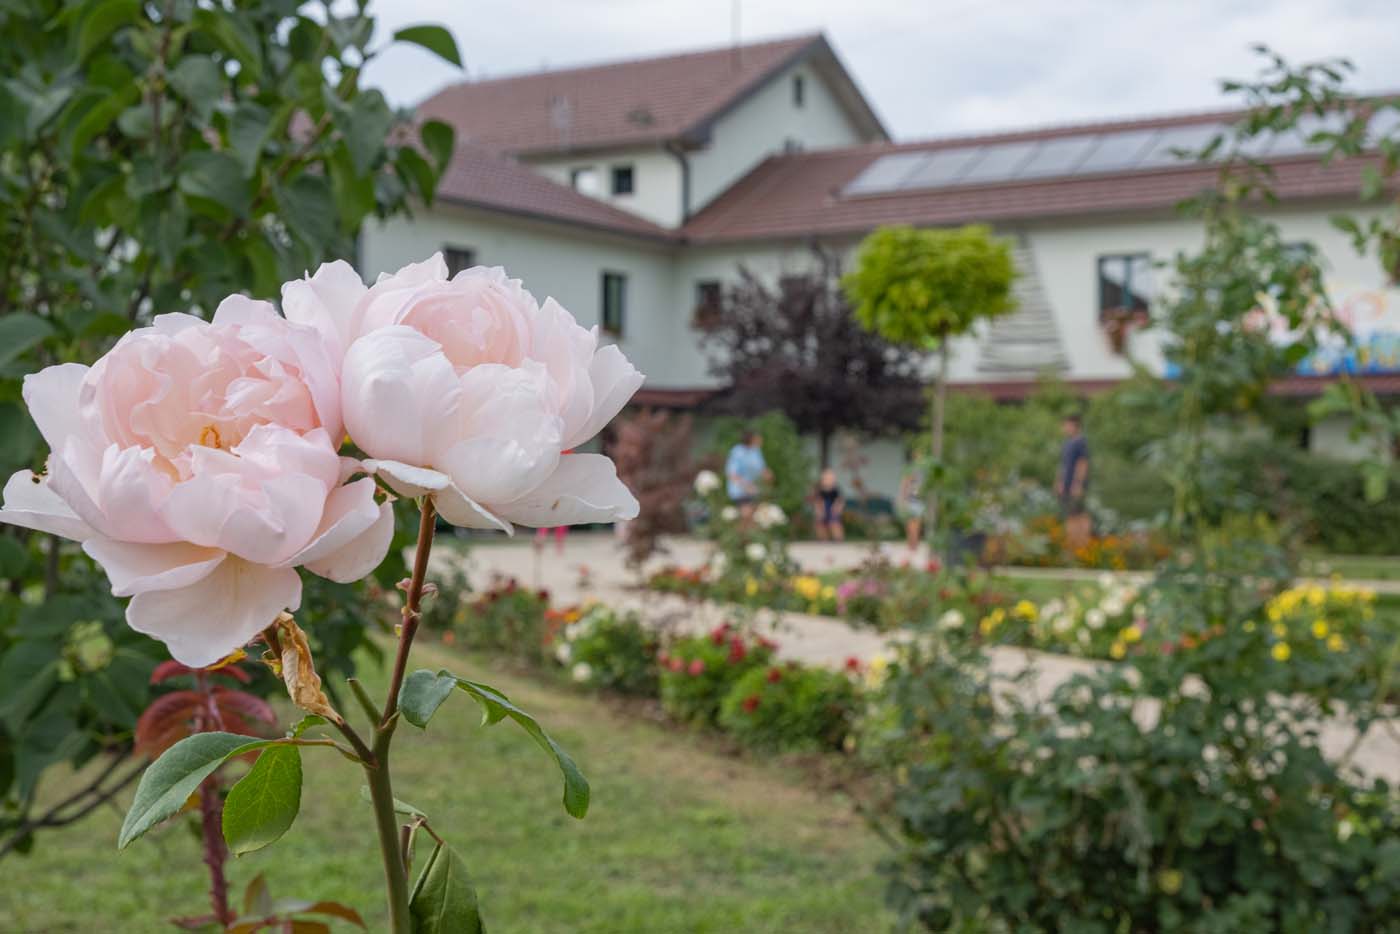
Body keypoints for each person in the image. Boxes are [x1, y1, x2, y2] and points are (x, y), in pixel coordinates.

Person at [1055, 413, 1091, 550]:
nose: (1064, 428)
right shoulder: (1067, 443)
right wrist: (1059, 481)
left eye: (1066, 425)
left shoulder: (1080, 442)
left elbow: (1082, 463)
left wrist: (1078, 484)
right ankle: (1072, 545)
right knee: (1070, 514)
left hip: (1074, 486)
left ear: (1075, 425)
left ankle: (1080, 546)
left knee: (1077, 515)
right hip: (1066, 485)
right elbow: (1063, 465)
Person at [725, 430, 769, 525]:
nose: (760, 440)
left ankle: (746, 537)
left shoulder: (756, 451)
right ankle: (741, 537)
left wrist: (767, 474)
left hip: (755, 489)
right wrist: (746, 486)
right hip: (740, 490)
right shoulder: (737, 452)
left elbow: (762, 468)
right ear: (751, 439)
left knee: (754, 516)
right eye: (758, 438)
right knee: (746, 514)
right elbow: (732, 474)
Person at [897, 452, 926, 553]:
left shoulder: (924, 471)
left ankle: (914, 546)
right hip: (911, 501)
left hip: (920, 501)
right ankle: (911, 545)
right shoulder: (911, 470)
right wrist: (902, 500)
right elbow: (904, 485)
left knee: (917, 525)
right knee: (910, 525)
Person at [812, 467, 845, 541]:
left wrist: (838, 508)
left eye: (830, 478)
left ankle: (838, 539)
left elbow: (840, 500)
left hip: (833, 509)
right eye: (826, 478)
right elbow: (817, 501)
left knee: (835, 524)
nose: (828, 480)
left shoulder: (836, 490)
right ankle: (823, 539)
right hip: (822, 508)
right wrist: (818, 510)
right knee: (820, 524)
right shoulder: (819, 490)